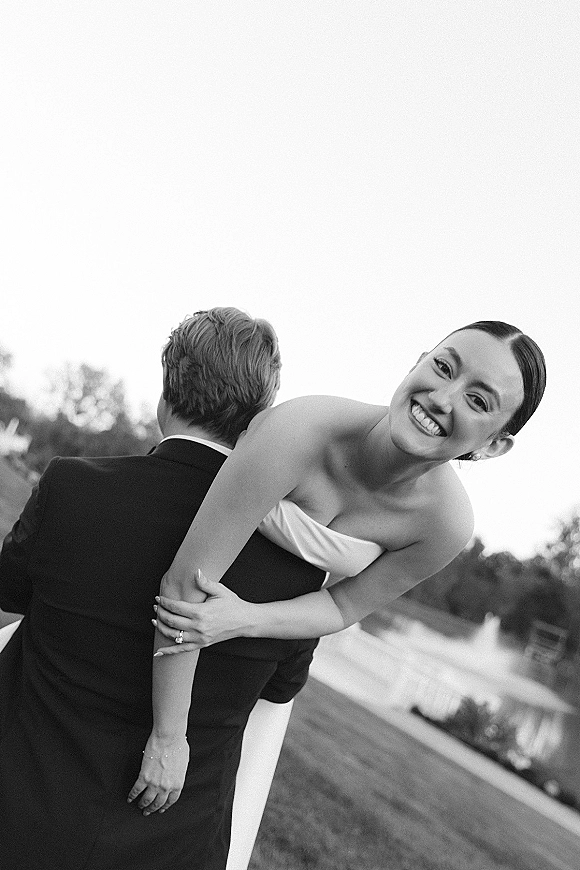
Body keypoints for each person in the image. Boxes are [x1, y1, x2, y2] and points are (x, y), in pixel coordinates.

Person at [141, 320, 546, 810]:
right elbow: (185, 583)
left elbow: (342, 606)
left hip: (265, 669)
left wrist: (246, 619)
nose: (443, 398)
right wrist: (168, 736)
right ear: (418, 359)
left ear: (495, 444)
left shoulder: (445, 525)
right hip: (168, 620)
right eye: (443, 367)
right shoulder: (301, 429)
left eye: (478, 401)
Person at [0, 307, 326, 870]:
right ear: (258, 418)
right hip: (175, 846)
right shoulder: (297, 577)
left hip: (20, 817)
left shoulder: (73, 489)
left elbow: (6, 597)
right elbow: (276, 698)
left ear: (167, 390)